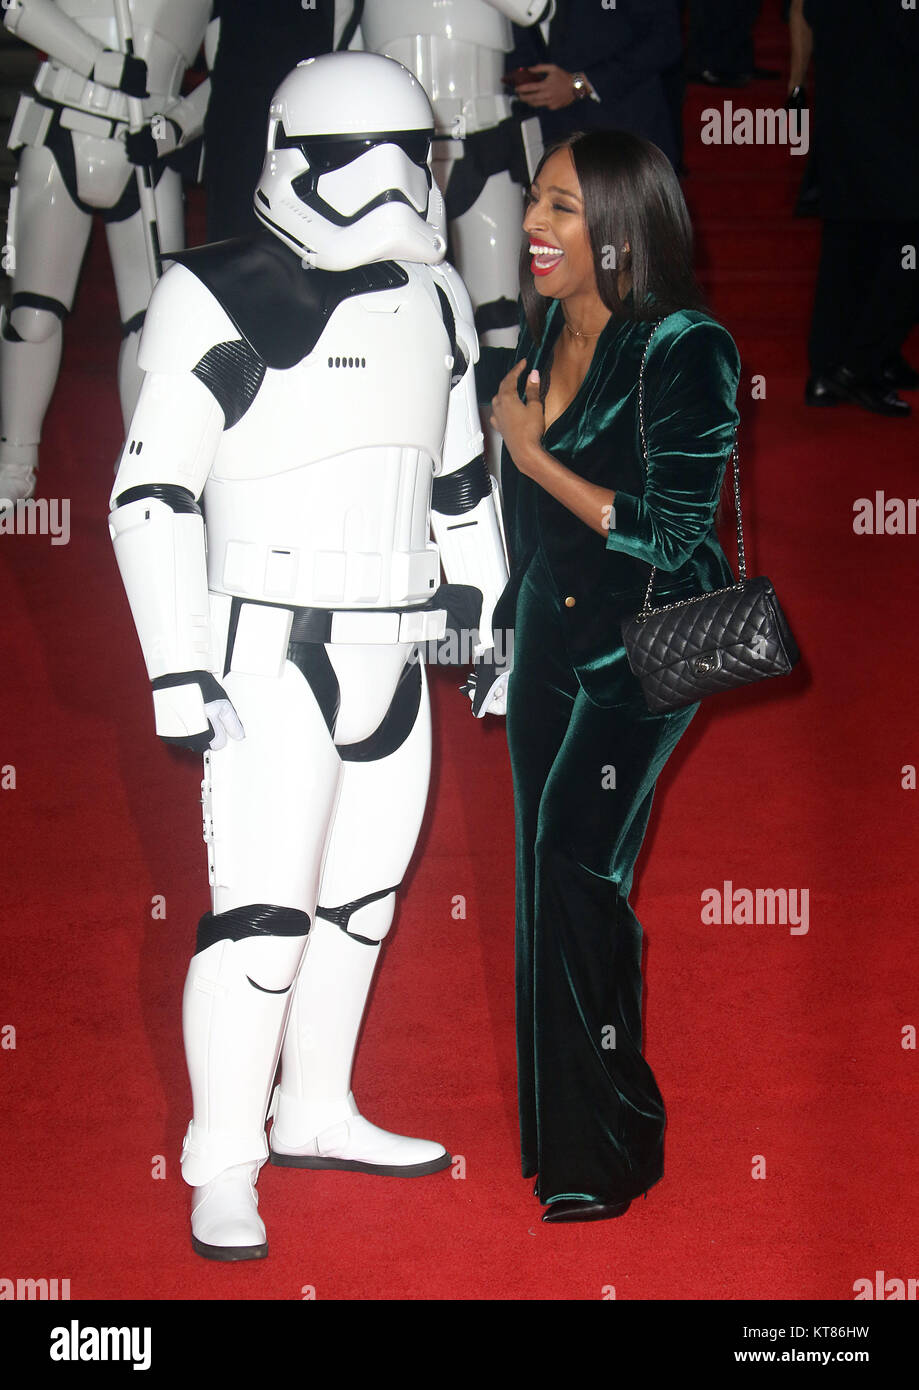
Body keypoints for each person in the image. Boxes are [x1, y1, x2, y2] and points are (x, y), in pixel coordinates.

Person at [108, 51, 509, 1260]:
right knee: (263, 920)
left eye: (411, 155)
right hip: (266, 645)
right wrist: (177, 662)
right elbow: (152, 490)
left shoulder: (437, 301)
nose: (391, 186)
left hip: (395, 645)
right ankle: (221, 1156)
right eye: (353, 158)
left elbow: (457, 476)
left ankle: (316, 1104)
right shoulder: (216, 291)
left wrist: (484, 614)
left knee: (362, 904)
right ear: (291, 160)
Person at [478, 129, 740, 1222]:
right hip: (549, 629)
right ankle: (559, 1131)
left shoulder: (687, 347)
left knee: (577, 862)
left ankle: (613, 1140)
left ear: (623, 229)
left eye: (564, 209)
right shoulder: (547, 333)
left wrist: (535, 453)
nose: (535, 225)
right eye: (536, 201)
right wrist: (507, 616)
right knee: (539, 874)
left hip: (647, 645)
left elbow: (679, 535)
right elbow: (530, 518)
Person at [0, 0, 215, 510]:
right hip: (64, 128)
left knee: (153, 324)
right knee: (34, 312)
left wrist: (174, 127)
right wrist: (97, 62)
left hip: (147, 149)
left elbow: (227, 74)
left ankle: (143, 462)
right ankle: (14, 460)